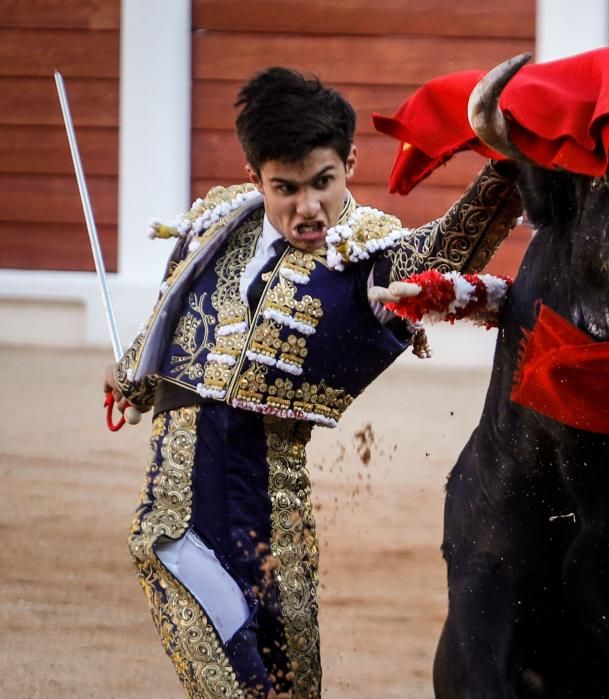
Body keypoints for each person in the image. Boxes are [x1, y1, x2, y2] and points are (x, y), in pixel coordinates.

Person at [103, 66, 521, 698]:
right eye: (286, 188)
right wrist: (132, 373)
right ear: (256, 178)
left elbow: (442, 254)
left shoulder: (366, 251)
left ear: (350, 162)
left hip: (277, 510)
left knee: (291, 688)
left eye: (324, 182)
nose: (309, 208)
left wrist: (510, 171)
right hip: (178, 511)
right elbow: (176, 307)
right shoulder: (216, 224)